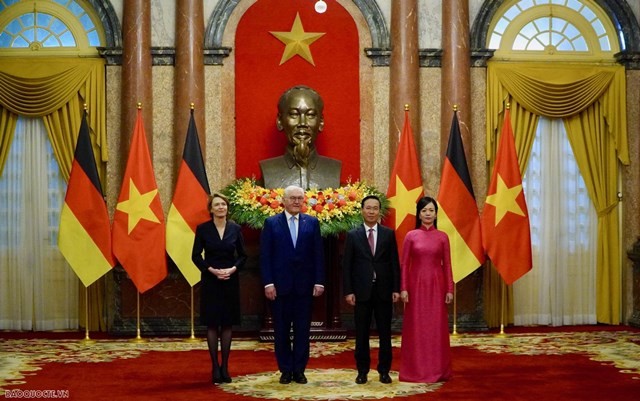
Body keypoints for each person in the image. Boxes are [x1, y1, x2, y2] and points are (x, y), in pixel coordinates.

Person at [260, 185, 325, 384]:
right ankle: (285, 370)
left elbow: (318, 254)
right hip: (279, 288)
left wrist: (319, 281)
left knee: (302, 331)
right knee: (280, 331)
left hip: (304, 288)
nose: (297, 202)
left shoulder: (312, 223)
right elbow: (265, 255)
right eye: (293, 198)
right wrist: (268, 283)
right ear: (284, 201)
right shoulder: (271, 223)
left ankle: (299, 369)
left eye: (300, 198)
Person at [342, 195, 400, 385]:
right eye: (368, 208)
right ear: (362, 210)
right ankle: (362, 371)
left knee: (385, 333)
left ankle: (384, 370)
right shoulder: (353, 235)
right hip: (361, 292)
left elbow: (394, 264)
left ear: (379, 211)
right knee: (362, 334)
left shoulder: (388, 234)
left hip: (384, 291)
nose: (372, 211)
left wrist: (396, 289)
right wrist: (348, 291)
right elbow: (347, 265)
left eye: (375, 208)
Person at [192, 192, 247, 384]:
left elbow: (243, 256)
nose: (221, 207)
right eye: (217, 205)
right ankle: (215, 365)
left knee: (227, 323)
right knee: (213, 323)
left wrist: (232, 269)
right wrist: (212, 271)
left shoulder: (235, 228)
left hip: (230, 280)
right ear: (211, 209)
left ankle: (225, 366)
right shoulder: (203, 229)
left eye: (223, 204)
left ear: (227, 207)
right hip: (211, 280)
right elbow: (196, 256)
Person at [399, 196, 454, 383]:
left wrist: (449, 289)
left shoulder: (443, 237)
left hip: (437, 287)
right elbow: (404, 264)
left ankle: (438, 370)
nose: (428, 214)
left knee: (436, 328)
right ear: (419, 214)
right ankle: (414, 370)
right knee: (416, 327)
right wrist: (403, 288)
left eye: (431, 210)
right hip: (415, 287)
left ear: (436, 213)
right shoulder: (411, 236)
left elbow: (447, 265)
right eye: (424, 211)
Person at [259, 85, 341, 190]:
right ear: (280, 121)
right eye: (294, 114)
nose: (302, 123)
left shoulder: (333, 169)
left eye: (310, 115)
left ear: (321, 122)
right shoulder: (268, 169)